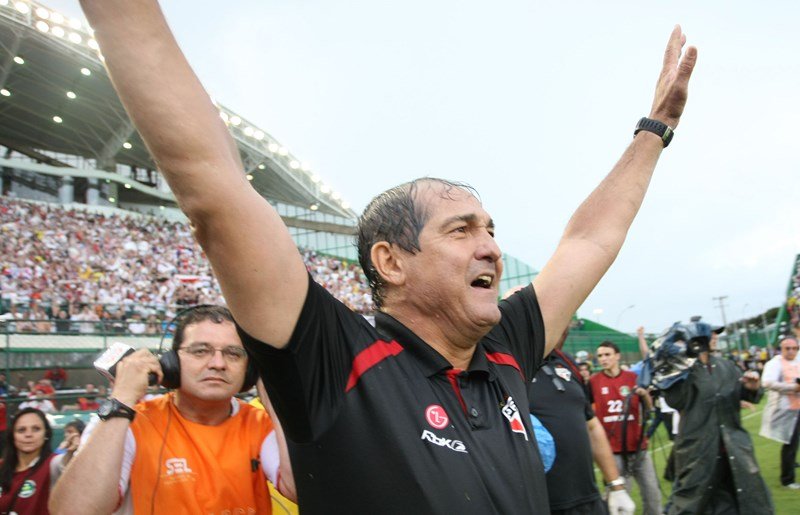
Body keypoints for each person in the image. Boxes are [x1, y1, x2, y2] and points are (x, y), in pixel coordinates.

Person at [79, 0, 696, 510]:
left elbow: (588, 241)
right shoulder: (331, 354)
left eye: (490, 228)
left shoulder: (507, 343)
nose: (491, 247)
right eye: (461, 231)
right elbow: (211, 187)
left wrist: (655, 129)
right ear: (391, 262)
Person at [49, 305, 295, 514]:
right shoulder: (127, 420)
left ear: (249, 371)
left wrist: (276, 405)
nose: (218, 363)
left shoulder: (260, 424)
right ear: (171, 363)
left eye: (233, 354)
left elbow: (299, 489)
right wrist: (122, 398)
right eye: (200, 351)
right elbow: (73, 509)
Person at [648, 320, 773, 514]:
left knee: (746, 499)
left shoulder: (727, 366)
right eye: (709, 334)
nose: (714, 338)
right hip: (698, 451)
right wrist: (675, 369)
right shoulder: (682, 372)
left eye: (716, 334)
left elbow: (746, 396)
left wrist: (752, 388)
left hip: (734, 448)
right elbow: (675, 401)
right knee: (689, 503)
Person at [529, 329, 635, 515]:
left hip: (588, 498)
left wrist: (616, 485)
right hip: (542, 503)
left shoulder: (566, 361)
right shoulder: (510, 364)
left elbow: (592, 425)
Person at [589, 341, 661, 515]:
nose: (603, 359)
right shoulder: (593, 382)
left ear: (617, 356)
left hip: (638, 448)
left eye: (607, 354)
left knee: (653, 494)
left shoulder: (632, 378)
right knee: (619, 500)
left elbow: (650, 408)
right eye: (600, 356)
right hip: (613, 452)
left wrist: (644, 395)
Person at [0, 408, 76, 515]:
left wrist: (70, 454)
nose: (28, 434)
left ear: (46, 434)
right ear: (12, 436)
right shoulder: (2, 467)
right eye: (21, 430)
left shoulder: (52, 464)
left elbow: (63, 463)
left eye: (36, 429)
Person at [759, 336, 800, 489]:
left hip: (798, 406)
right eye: (787, 348)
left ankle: (792, 465)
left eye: (794, 348)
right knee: (790, 443)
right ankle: (787, 479)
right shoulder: (774, 363)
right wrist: (791, 387)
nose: (791, 351)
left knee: (794, 443)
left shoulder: (797, 361)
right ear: (780, 349)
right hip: (786, 409)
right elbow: (767, 383)